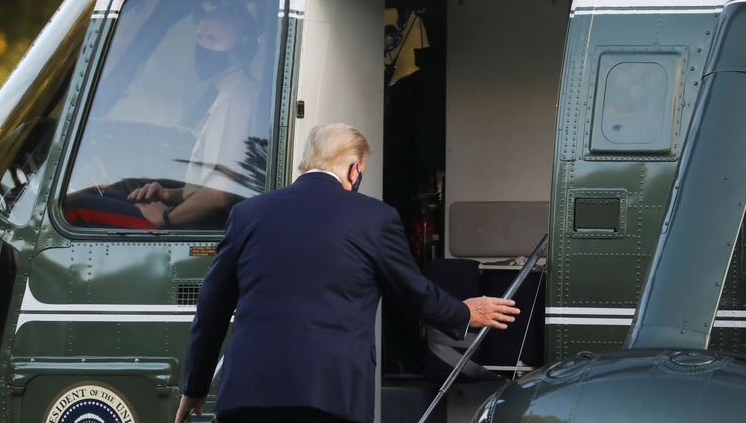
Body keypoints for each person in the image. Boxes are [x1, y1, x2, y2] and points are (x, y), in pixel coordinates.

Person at [175, 123, 519, 423]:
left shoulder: (248, 213)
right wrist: (465, 313)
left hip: (248, 393)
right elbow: (413, 294)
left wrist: (195, 386)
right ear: (355, 169)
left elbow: (211, 306)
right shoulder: (375, 218)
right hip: (331, 394)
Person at [126, 7, 260, 229]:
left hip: (210, 226)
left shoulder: (234, 101)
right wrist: (168, 194)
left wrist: (166, 218)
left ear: (242, 48)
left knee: (79, 209)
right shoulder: (233, 93)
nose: (203, 46)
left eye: (213, 39)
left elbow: (220, 194)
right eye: (200, 37)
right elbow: (207, 188)